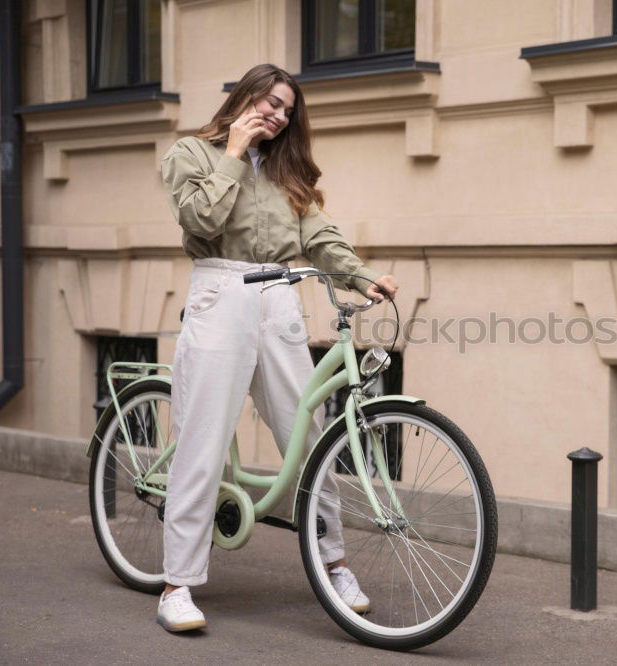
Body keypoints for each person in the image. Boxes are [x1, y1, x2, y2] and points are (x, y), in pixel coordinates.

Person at [155, 63, 399, 632]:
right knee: (204, 440)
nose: (278, 114)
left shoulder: (287, 170)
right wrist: (234, 151)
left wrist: (362, 277)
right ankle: (177, 584)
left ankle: (333, 563)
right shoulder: (190, 154)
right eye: (269, 101)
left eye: (286, 109)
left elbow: (318, 236)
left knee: (307, 436)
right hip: (221, 290)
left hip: (281, 297)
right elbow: (200, 219)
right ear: (244, 97)